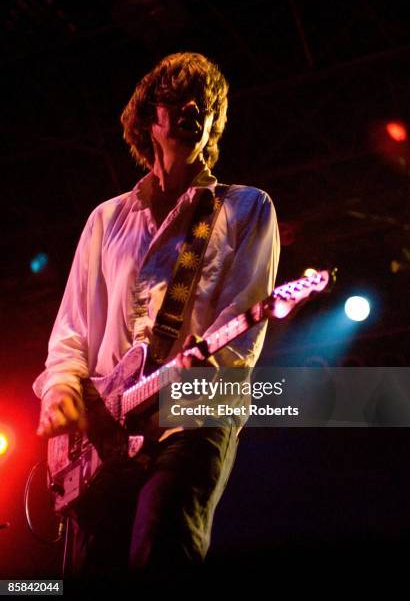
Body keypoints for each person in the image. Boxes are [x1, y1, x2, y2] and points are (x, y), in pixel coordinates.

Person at [33, 52, 280, 580]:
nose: (195, 106)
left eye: (206, 101)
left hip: (194, 414)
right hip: (104, 432)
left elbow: (242, 324)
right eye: (178, 98)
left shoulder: (246, 208)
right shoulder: (106, 219)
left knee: (162, 548)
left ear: (213, 122)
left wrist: (201, 371)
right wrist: (61, 391)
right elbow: (72, 330)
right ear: (150, 117)